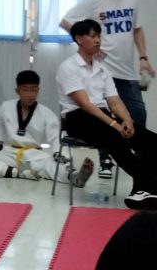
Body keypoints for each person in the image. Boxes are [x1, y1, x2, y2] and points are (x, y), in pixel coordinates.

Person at [60, 0, 155, 179]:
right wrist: (89, 44)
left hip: (126, 70)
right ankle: (106, 161)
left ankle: (144, 167)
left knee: (137, 117)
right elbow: (65, 22)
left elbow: (137, 29)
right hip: (104, 67)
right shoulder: (93, 0)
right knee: (104, 120)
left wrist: (143, 57)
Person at [56, 19, 157, 210]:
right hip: (78, 118)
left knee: (149, 139)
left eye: (99, 36)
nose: (97, 40)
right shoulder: (68, 67)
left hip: (102, 116)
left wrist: (126, 120)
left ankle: (141, 191)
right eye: (92, 36)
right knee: (114, 137)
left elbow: (115, 101)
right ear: (79, 39)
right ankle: (148, 184)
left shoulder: (102, 68)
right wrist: (114, 124)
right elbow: (84, 104)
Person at [0, 70, 94, 188]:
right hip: (10, 154)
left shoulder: (46, 113)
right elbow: (0, 132)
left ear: (38, 90)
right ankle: (18, 173)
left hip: (34, 155)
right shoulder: (6, 107)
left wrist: (59, 155)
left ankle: (75, 177)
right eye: (25, 90)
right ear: (17, 91)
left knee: (53, 165)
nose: (30, 94)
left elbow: (56, 138)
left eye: (33, 90)